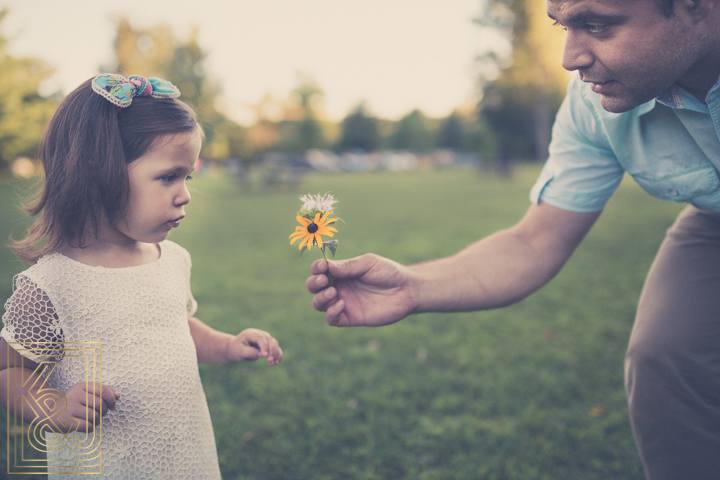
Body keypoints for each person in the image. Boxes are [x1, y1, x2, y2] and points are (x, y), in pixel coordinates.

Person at [306, 0, 720, 479]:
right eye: (563, 26)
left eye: (596, 24)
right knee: (664, 356)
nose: (570, 57)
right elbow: (536, 240)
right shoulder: (594, 104)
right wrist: (412, 285)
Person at [0, 74, 283, 479]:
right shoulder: (52, 285)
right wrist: (55, 406)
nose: (185, 193)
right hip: (107, 465)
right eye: (169, 177)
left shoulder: (172, 259)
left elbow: (177, 327)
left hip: (184, 453)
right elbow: (10, 371)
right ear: (99, 175)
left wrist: (227, 345)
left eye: (188, 177)